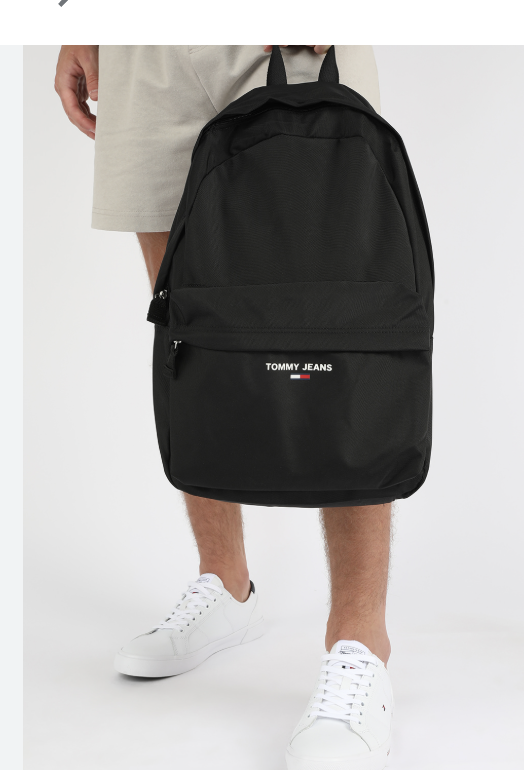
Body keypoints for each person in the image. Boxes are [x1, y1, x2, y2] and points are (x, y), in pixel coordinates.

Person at [55, 45, 393, 770]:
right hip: (142, 48)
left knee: (337, 333)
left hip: (284, 37)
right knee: (191, 329)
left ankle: (359, 640)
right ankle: (227, 587)